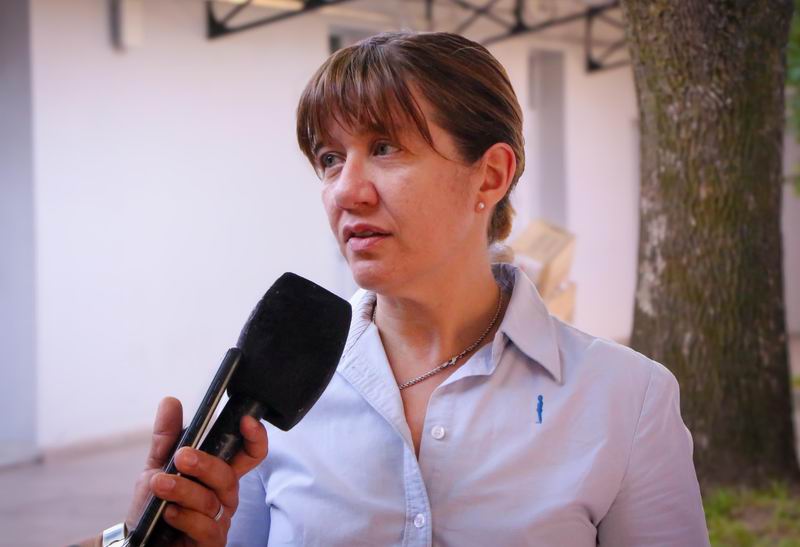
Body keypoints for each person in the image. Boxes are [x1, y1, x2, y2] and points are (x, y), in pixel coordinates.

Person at [82, 31, 710, 546]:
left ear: (490, 175)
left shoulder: (626, 398)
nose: (346, 191)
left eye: (383, 148)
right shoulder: (267, 393)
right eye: (329, 159)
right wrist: (147, 539)